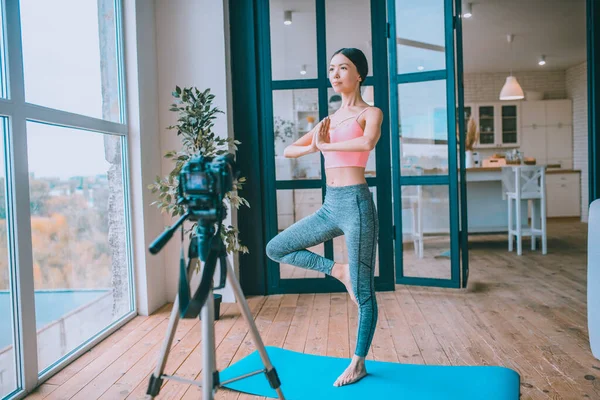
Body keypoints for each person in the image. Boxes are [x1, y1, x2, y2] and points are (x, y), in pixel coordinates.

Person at [266, 47, 383, 387]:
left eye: (342, 68)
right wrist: (313, 145)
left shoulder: (370, 112)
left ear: (358, 74)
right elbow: (289, 150)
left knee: (363, 292)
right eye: (331, 69)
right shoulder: (328, 121)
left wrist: (327, 147)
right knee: (277, 248)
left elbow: (366, 143)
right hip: (331, 205)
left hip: (357, 205)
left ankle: (358, 362)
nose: (334, 74)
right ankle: (338, 271)